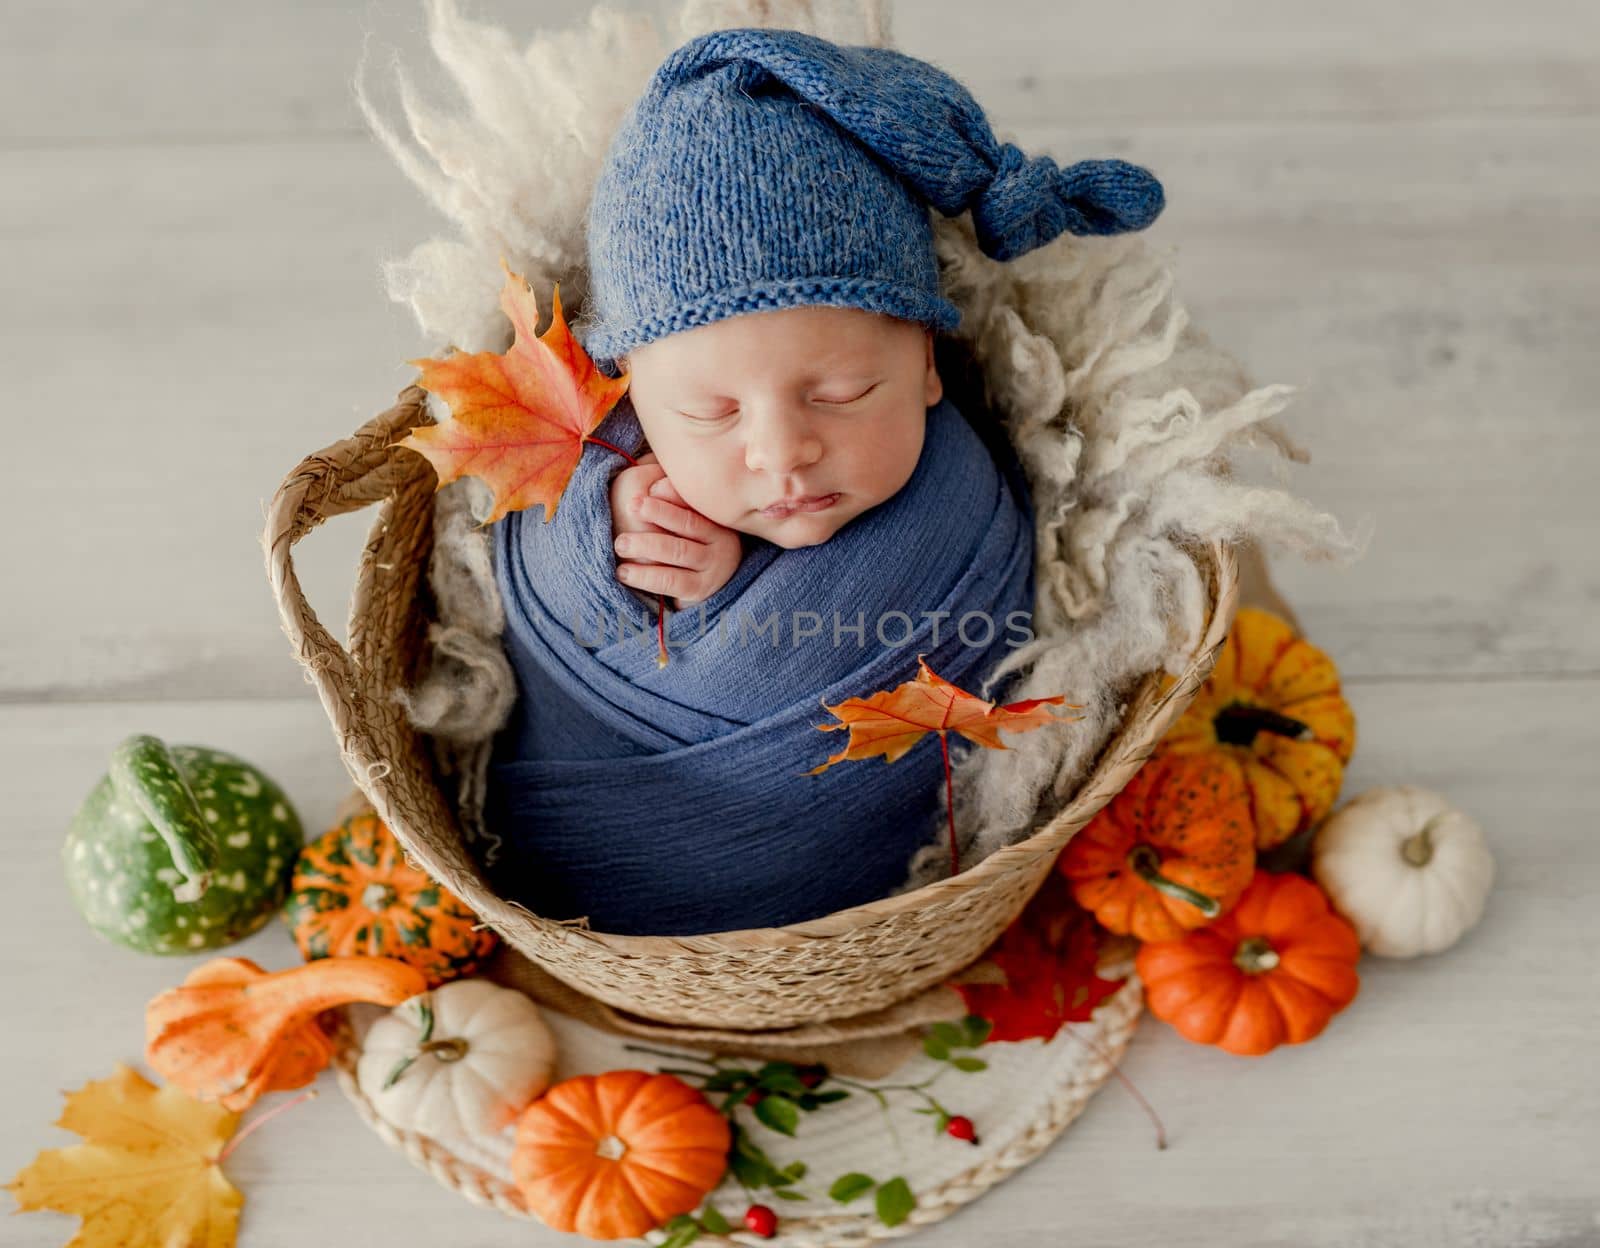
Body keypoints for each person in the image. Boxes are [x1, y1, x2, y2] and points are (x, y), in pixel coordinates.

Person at [478, 26, 1164, 937]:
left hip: (876, 903)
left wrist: (725, 603)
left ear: (929, 365)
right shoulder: (612, 454)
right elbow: (514, 561)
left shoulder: (963, 500)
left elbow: (1000, 651)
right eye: (712, 414)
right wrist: (606, 535)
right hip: (566, 880)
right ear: (632, 394)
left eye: (843, 394)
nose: (782, 450)